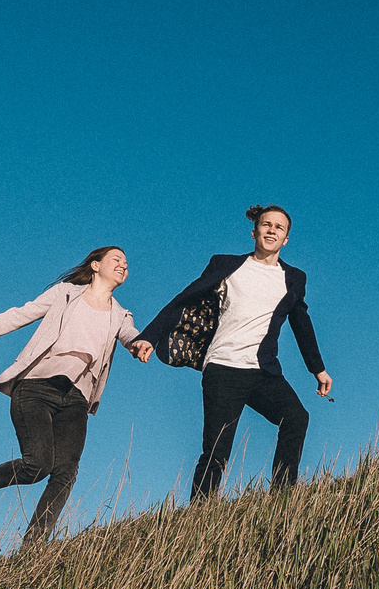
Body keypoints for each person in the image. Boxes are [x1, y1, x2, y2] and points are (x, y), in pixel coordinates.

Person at [0, 245, 144, 544]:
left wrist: (139, 344)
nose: (123, 265)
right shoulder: (66, 294)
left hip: (76, 399)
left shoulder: (121, 315)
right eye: (116, 259)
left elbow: (130, 335)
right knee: (37, 465)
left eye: (126, 262)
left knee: (65, 473)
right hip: (36, 387)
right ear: (96, 266)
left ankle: (33, 546)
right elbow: (17, 316)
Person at [133, 205, 332, 500]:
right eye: (266, 225)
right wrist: (150, 336)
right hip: (223, 368)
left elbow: (301, 322)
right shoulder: (226, 265)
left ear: (286, 239)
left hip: (263, 370)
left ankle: (282, 497)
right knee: (216, 449)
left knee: (296, 417)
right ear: (255, 232)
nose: (272, 230)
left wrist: (318, 369)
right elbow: (183, 299)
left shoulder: (293, 278)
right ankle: (199, 512)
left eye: (279, 227)